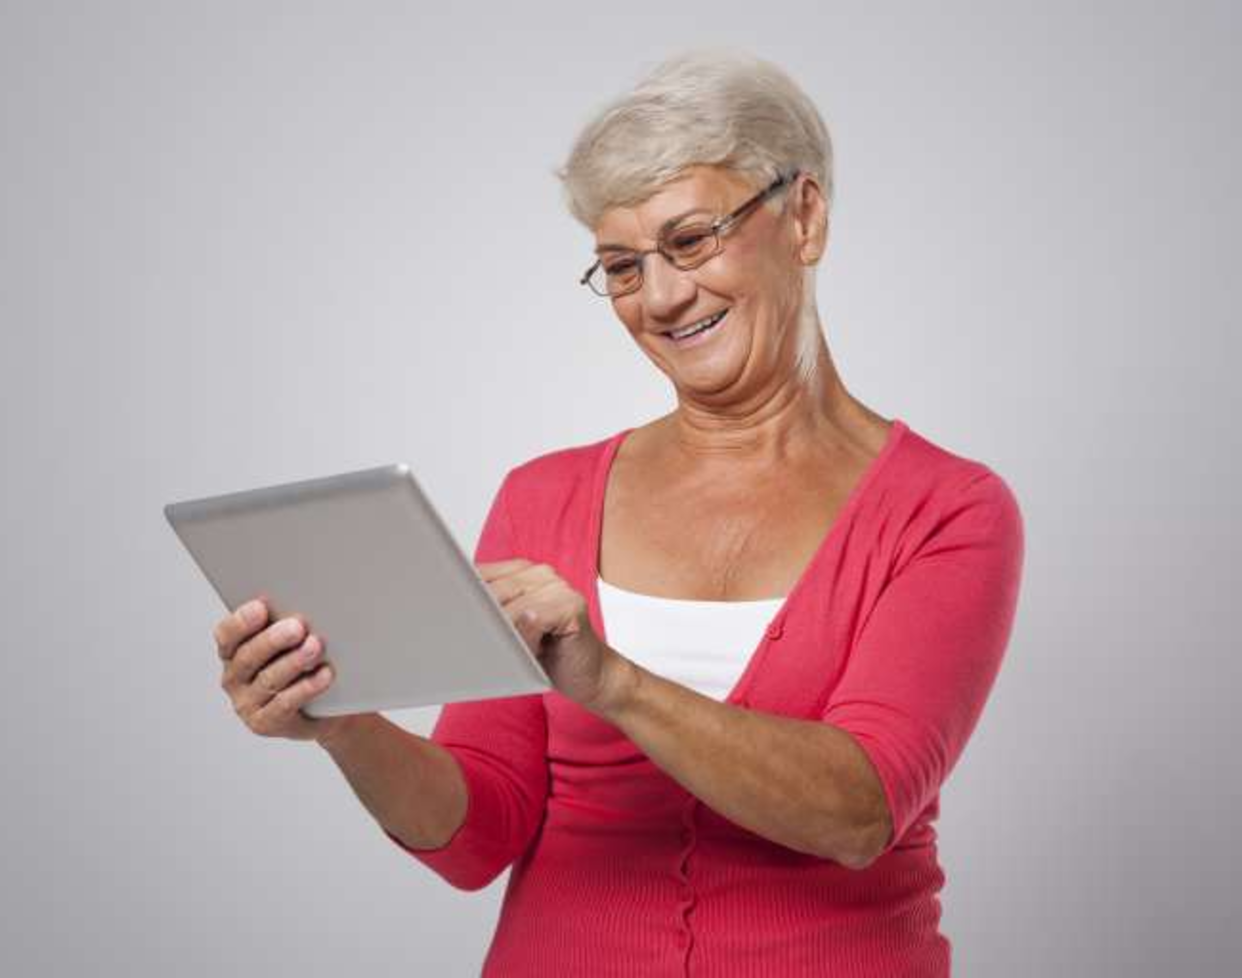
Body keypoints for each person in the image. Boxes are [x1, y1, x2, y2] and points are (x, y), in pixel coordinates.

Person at [211, 49, 1025, 977]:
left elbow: (858, 811)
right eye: (622, 266)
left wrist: (614, 683)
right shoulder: (542, 498)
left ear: (803, 216)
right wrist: (341, 722)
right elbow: (477, 836)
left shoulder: (945, 512)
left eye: (692, 239)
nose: (663, 297)